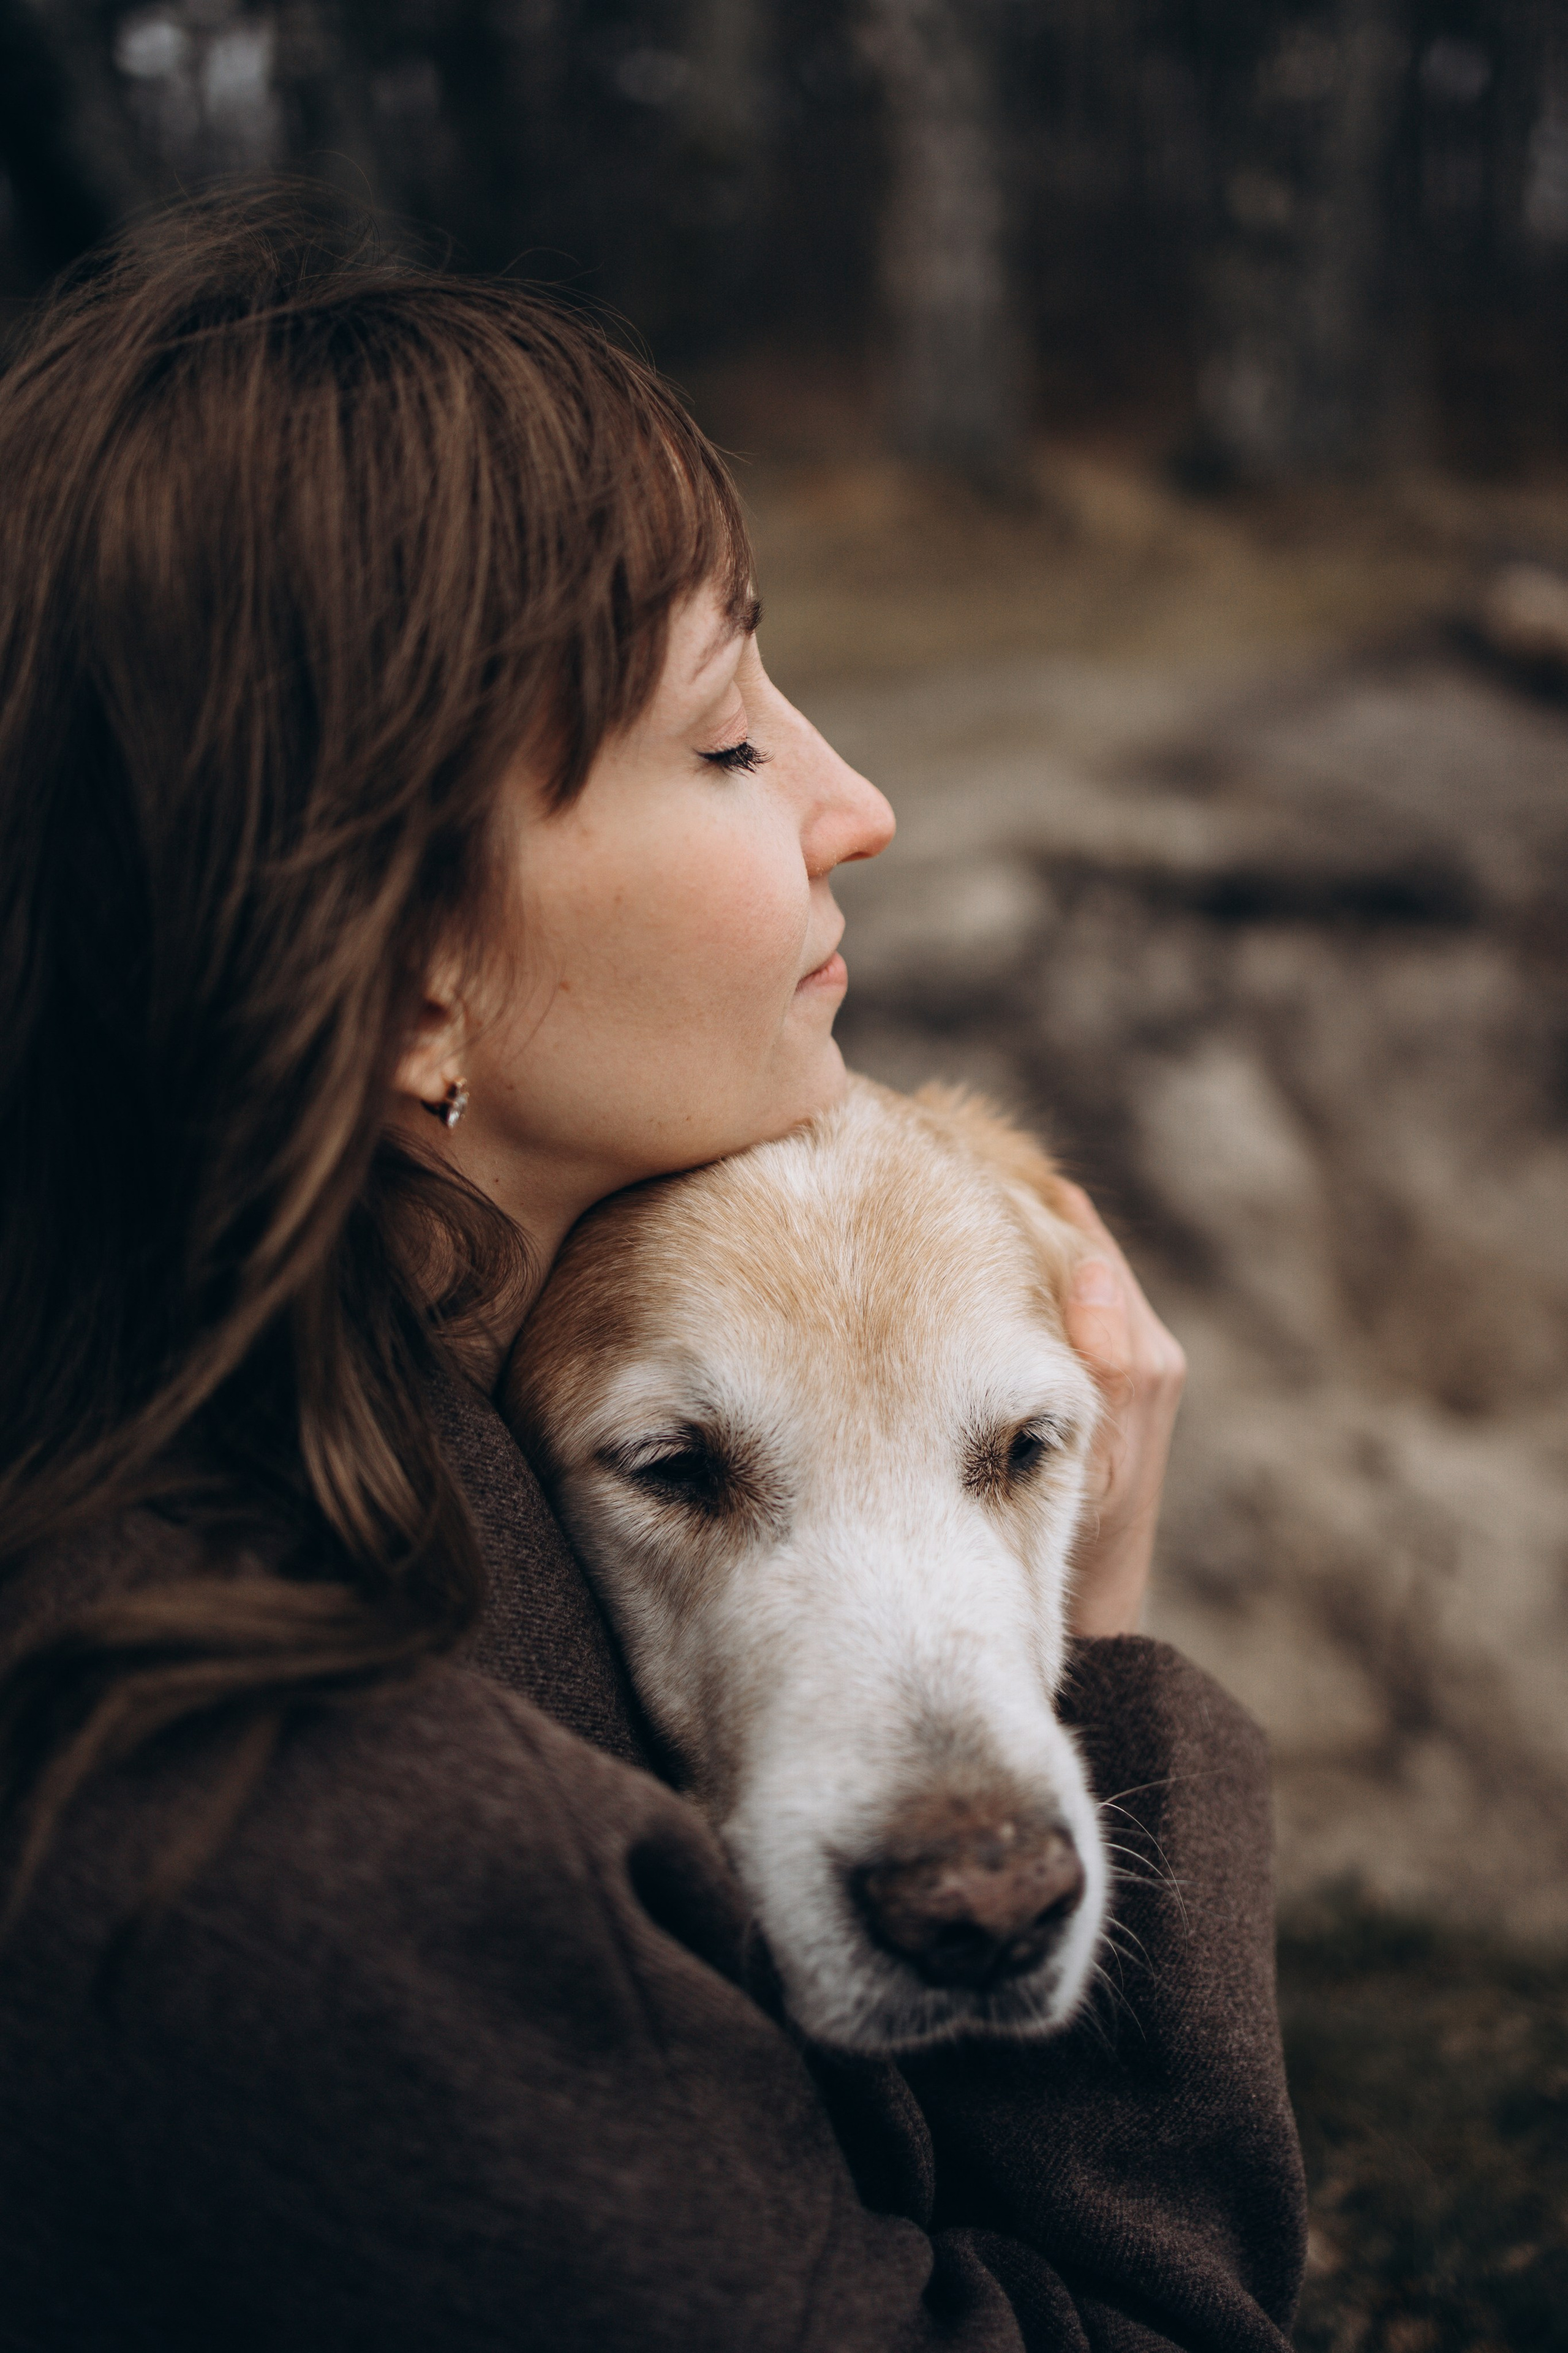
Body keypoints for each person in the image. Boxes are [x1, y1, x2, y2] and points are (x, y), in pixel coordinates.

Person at [0, 187, 1304, 2351]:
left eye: (1017, 1451)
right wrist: (1104, 1626)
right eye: (722, 741)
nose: (856, 801)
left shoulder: (296, 1369)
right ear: (403, 966)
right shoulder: (301, 1850)